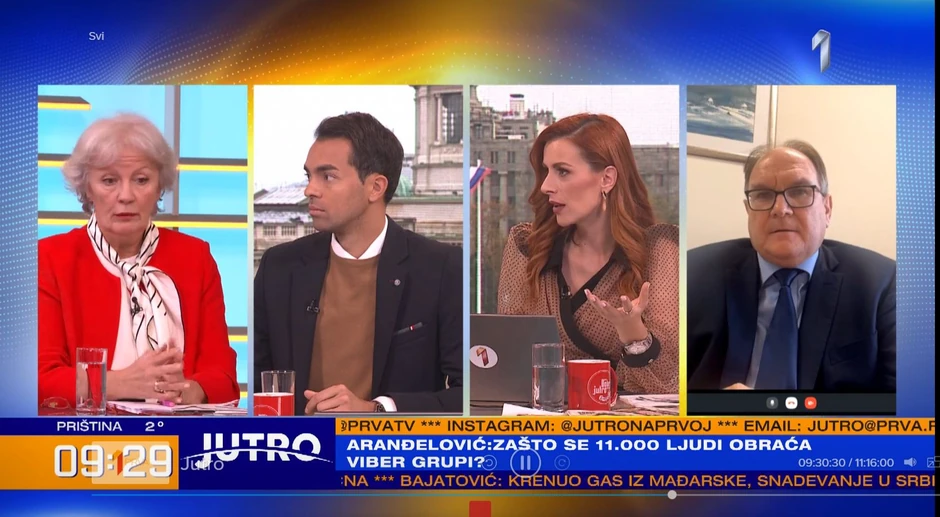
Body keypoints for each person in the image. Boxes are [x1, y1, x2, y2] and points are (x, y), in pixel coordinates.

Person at [253, 112, 463, 415]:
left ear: (375, 187)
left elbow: (465, 394)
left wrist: (376, 410)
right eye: (309, 176)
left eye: (327, 176)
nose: (310, 190)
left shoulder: (439, 268)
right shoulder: (279, 268)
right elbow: (257, 380)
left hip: (390, 443)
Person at [38, 113, 240, 407]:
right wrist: (118, 383)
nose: (126, 195)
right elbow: (38, 380)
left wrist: (187, 390)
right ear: (87, 188)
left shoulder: (195, 257)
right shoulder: (50, 258)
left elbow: (223, 376)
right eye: (109, 181)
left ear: (159, 188)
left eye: (141, 180)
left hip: (177, 426)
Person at [687, 140, 896, 392]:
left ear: (827, 209)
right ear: (748, 211)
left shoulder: (881, 283)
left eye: (799, 192)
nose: (780, 209)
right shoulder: (693, 273)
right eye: (763, 195)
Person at [497, 113, 679, 395]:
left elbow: (670, 382)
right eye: (546, 171)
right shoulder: (527, 247)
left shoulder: (659, 250)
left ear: (606, 178)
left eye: (563, 171)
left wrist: (634, 335)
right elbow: (506, 357)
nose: (545, 186)